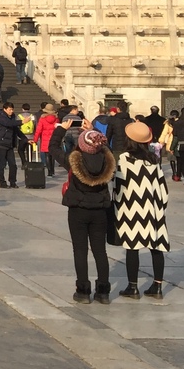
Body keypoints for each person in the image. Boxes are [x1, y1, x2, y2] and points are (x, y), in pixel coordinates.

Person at [53, 128, 115, 305]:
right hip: (100, 211)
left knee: (80, 250)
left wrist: (61, 129)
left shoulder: (74, 160)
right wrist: (94, 133)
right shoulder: (107, 160)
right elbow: (106, 149)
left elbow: (53, 147)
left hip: (78, 209)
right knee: (100, 251)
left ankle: (83, 291)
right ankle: (103, 291)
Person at [115, 121, 170, 301]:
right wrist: (160, 208)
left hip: (131, 208)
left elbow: (118, 188)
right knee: (156, 247)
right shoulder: (154, 159)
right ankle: (158, 286)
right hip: (153, 208)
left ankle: (133, 287)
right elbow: (163, 189)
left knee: (132, 247)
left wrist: (117, 209)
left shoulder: (123, 159)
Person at [0, 102, 25, 189]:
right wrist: (22, 121)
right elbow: (8, 123)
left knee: (13, 164)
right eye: (10, 109)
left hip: (9, 144)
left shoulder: (12, 118)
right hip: (1, 143)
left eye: (12, 109)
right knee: (1, 165)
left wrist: (25, 139)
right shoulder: (1, 118)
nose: (11, 111)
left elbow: (16, 130)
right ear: (5, 109)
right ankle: (2, 182)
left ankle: (13, 182)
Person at [31, 103, 59, 178]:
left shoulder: (42, 119)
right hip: (54, 139)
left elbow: (38, 130)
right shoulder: (56, 119)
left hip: (45, 139)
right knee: (52, 155)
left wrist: (35, 139)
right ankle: (52, 170)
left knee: (47, 155)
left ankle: (49, 171)